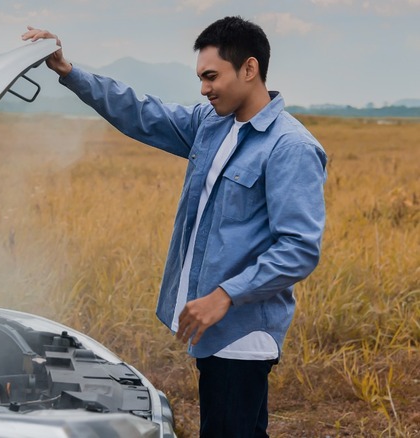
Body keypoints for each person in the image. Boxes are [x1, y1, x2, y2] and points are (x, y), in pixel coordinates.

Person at [22, 16, 327, 437]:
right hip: (213, 327)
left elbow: (299, 248)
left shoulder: (290, 147)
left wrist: (224, 296)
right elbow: (141, 113)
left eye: (211, 76)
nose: (204, 88)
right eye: (201, 78)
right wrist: (69, 72)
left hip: (241, 333)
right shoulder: (212, 125)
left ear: (250, 69)